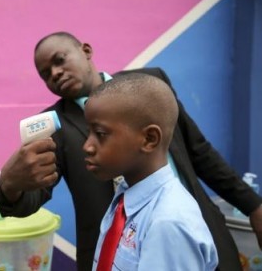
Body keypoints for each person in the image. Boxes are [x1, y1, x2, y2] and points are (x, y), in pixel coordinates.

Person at [0, 31, 262, 271]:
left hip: (198, 233)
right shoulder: (52, 125)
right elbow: (31, 194)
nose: (54, 73)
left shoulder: (151, 86)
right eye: (45, 74)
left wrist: (254, 206)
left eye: (60, 60)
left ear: (86, 51)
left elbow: (200, 153)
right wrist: (11, 185)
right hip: (116, 257)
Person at [85, 72, 218, 270]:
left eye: (101, 134)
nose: (87, 146)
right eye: (89, 132)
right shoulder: (125, 196)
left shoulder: (168, 223)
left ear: (149, 139)